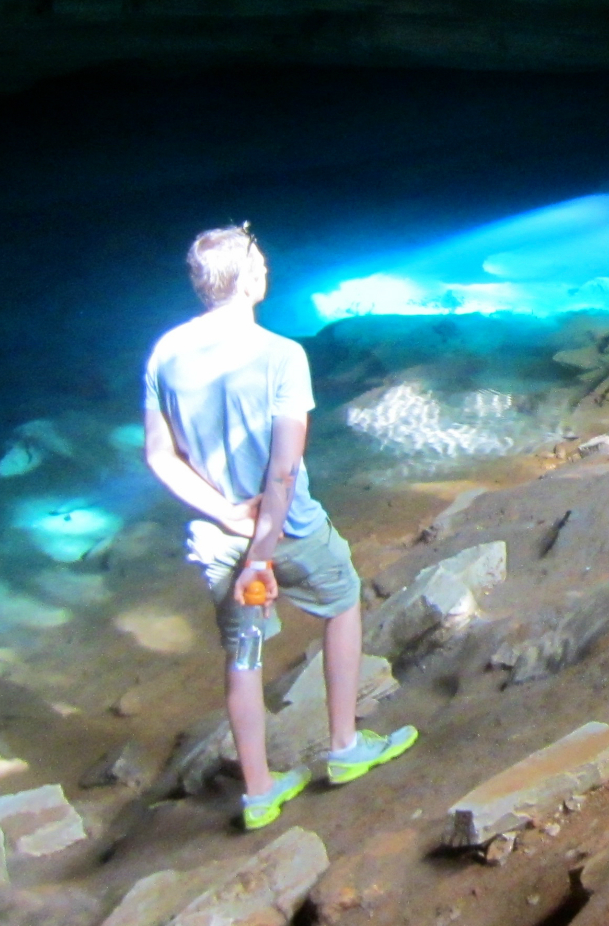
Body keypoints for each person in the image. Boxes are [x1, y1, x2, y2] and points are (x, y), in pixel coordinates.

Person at [143, 224, 417, 830]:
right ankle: (344, 747)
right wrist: (263, 551)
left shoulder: (164, 353)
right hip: (287, 531)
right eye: (260, 260)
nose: (266, 266)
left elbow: (160, 457)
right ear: (247, 279)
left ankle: (260, 792)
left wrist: (222, 514)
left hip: (219, 538)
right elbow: (284, 469)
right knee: (342, 602)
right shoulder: (282, 356)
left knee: (244, 653)